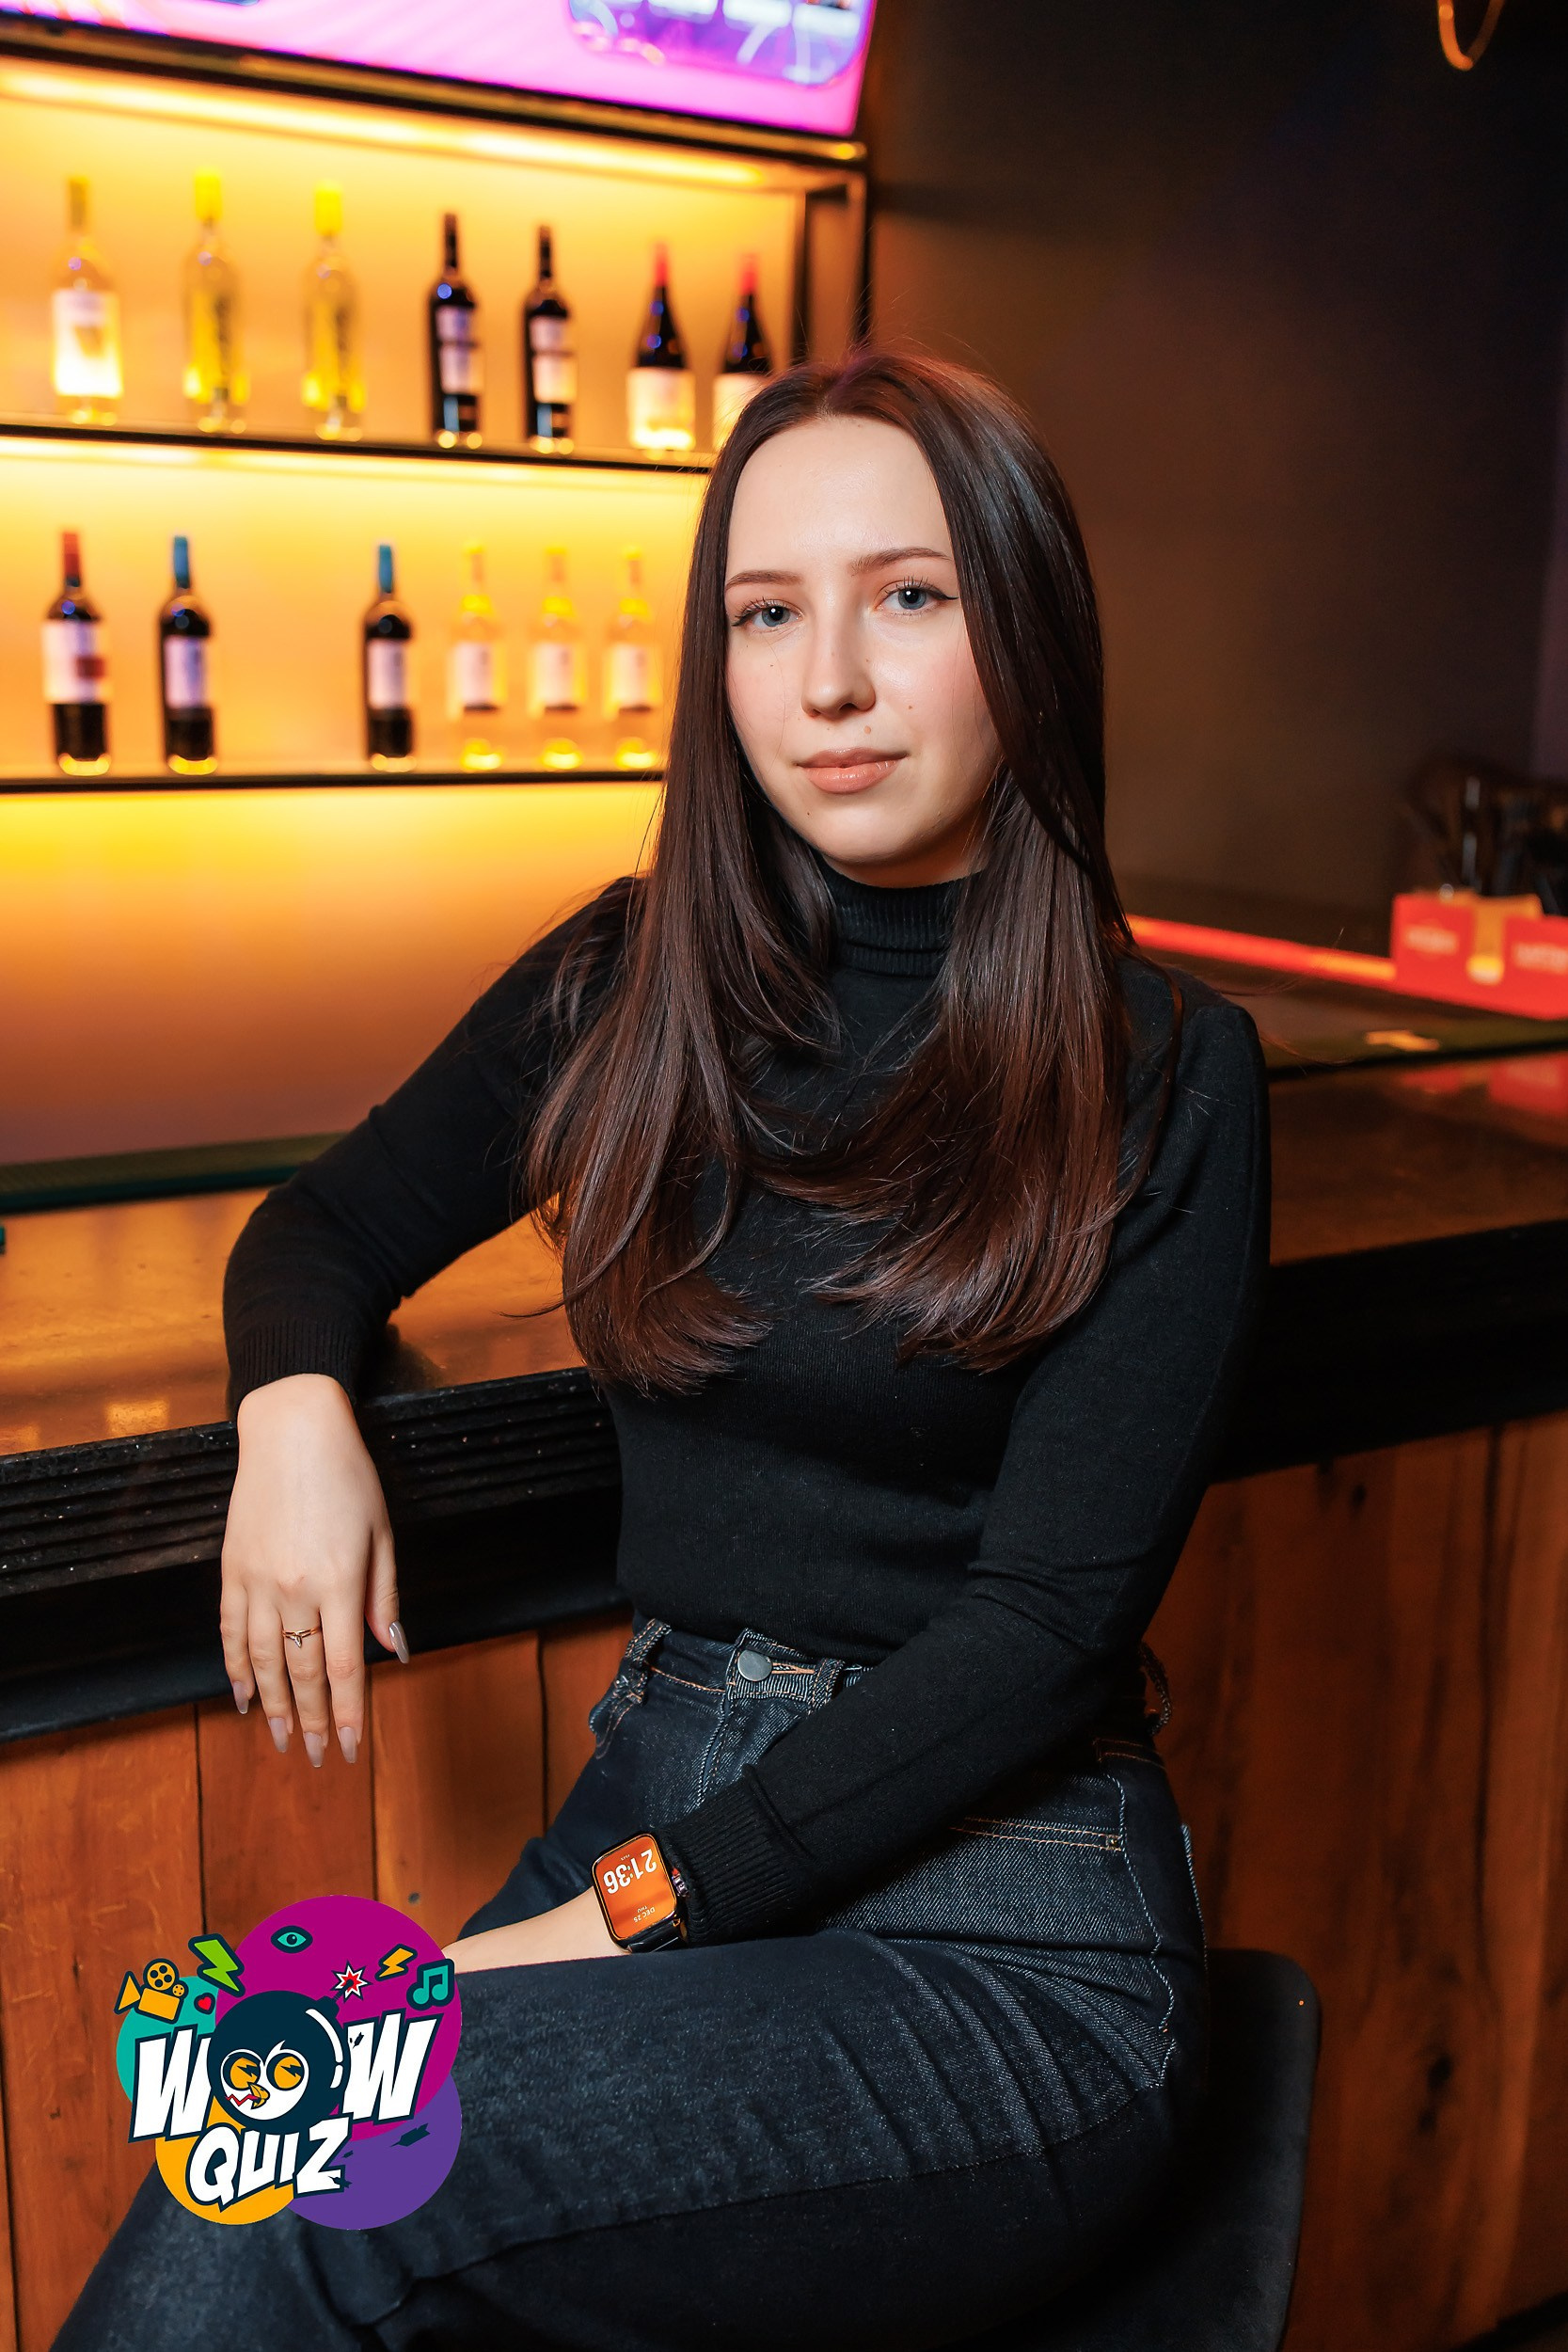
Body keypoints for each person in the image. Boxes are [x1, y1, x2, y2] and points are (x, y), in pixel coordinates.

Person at [57, 348, 1268, 2350]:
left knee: (294, 2184)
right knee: (242, 2127)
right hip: (661, 1787)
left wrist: (622, 1914)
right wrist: (293, 1415)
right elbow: (322, 1225)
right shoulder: (632, 979)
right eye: (766, 614)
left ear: (1027, 624)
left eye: (908, 596)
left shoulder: (1168, 1067)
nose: (829, 683)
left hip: (1004, 1929)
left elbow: (1049, 1631)